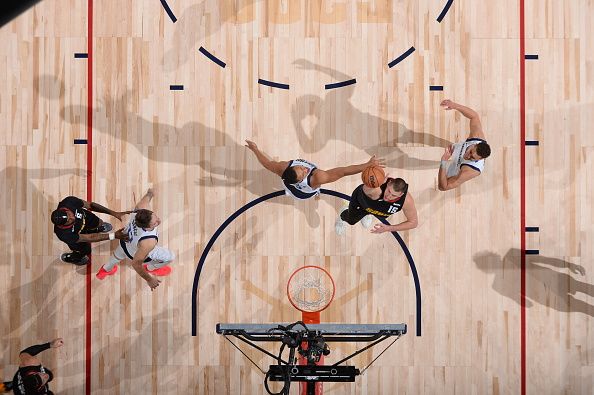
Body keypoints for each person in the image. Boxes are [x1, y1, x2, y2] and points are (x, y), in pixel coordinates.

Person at [245, 140, 384, 200]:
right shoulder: (318, 178)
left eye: (300, 168)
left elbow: (267, 164)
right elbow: (343, 172)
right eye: (303, 173)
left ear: (292, 166)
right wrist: (366, 165)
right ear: (301, 179)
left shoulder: (282, 168)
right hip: (303, 193)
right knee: (313, 192)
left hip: (290, 184)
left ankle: (291, 190)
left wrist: (255, 149)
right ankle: (315, 193)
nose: (305, 169)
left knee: (289, 189)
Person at [95, 189, 174, 291]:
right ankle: (151, 268)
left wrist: (149, 194)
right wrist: (149, 279)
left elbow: (143, 202)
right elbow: (136, 264)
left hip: (124, 244)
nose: (158, 221)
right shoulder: (149, 242)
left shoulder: (139, 212)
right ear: (146, 226)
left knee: (115, 258)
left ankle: (105, 270)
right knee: (171, 256)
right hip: (135, 253)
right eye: (154, 223)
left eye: (156, 217)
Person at [51, 197, 130, 265]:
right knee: (86, 250)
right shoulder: (63, 234)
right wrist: (114, 236)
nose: (72, 218)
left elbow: (90, 205)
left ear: (65, 210)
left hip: (86, 219)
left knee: (99, 222)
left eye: (69, 214)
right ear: (62, 225)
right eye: (68, 221)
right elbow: (89, 237)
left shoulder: (69, 202)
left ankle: (97, 228)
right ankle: (75, 258)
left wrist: (115, 213)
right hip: (78, 237)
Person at [437, 99, 491, 191]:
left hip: (454, 167)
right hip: (453, 152)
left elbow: (443, 187)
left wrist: (443, 162)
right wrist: (455, 105)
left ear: (479, 159)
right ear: (474, 145)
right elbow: (474, 116)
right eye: (470, 152)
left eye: (472, 157)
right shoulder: (477, 137)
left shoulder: (470, 171)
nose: (467, 155)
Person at [335, 177, 418, 236]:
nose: (389, 196)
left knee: (376, 211)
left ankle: (367, 214)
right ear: (388, 183)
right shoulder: (375, 189)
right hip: (361, 202)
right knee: (351, 221)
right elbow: (365, 187)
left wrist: (389, 228)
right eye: (389, 191)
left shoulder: (406, 201)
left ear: (401, 195)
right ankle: (343, 215)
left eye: (394, 195)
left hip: (374, 209)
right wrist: (375, 184)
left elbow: (413, 223)